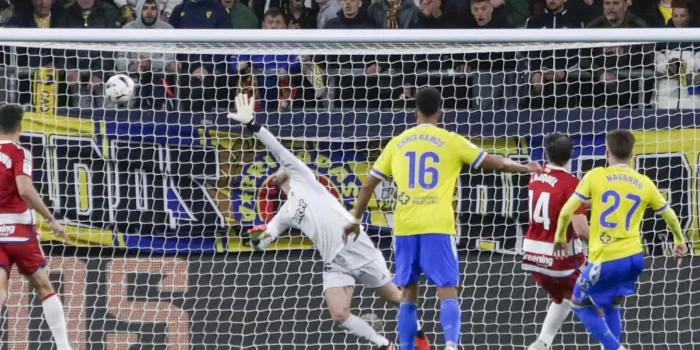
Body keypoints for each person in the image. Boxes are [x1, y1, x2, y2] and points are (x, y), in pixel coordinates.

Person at [228, 94, 431, 350]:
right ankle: (385, 345)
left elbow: (276, 148)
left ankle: (420, 335)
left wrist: (253, 125)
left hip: (357, 247)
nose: (277, 170)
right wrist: (254, 239)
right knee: (339, 315)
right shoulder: (285, 212)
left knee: (397, 299)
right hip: (335, 263)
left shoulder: (302, 176)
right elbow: (266, 237)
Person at [344, 87, 541, 350]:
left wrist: (356, 219)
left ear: (415, 112)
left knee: (408, 294)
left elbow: (368, 184)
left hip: (405, 226)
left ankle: (406, 347)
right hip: (437, 225)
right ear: (440, 111)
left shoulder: (397, 142)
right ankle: (450, 344)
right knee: (447, 289)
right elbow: (497, 163)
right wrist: (525, 167)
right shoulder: (451, 140)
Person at [554, 129, 688, 350]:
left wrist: (560, 236)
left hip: (607, 258)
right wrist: (679, 240)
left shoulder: (595, 175)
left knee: (577, 303)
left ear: (607, 152)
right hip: (635, 258)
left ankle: (615, 348)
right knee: (613, 305)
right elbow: (669, 214)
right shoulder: (643, 182)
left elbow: (567, 210)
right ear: (632, 154)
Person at [0, 105, 71, 350]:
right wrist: (51, 218)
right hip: (18, 230)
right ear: (20, 126)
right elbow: (24, 189)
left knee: (0, 290)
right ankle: (63, 347)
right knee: (43, 285)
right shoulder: (19, 152)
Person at [522, 133, 590, 350]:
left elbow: (559, 203)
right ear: (571, 156)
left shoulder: (536, 175)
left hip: (532, 256)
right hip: (561, 259)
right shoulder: (572, 184)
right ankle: (614, 345)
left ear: (546, 153)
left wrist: (592, 202)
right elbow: (581, 230)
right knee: (598, 297)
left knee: (562, 298)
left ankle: (542, 343)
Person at [116, 0, 178, 110]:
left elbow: (169, 58)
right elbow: (120, 59)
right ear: (139, 10)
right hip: (133, 77)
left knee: (158, 87)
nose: (149, 12)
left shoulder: (168, 29)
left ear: (158, 10)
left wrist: (150, 63)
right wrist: (132, 66)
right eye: (145, 8)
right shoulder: (127, 29)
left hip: (159, 77)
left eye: (153, 8)